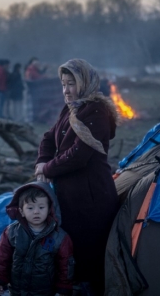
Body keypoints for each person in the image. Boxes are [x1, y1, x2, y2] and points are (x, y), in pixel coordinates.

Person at [34, 58, 120, 295]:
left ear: (85, 83)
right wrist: (42, 160)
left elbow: (78, 155)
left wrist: (47, 169)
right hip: (68, 197)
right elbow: (48, 138)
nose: (66, 90)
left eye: (71, 84)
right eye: (63, 84)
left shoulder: (97, 112)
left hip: (91, 199)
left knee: (90, 254)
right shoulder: (70, 109)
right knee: (71, 251)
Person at [0, 182, 74, 296]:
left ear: (49, 209)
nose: (36, 211)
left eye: (41, 207)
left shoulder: (59, 236)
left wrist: (63, 288)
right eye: (30, 207)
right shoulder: (12, 232)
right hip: (16, 290)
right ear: (21, 211)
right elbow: (2, 258)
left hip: (45, 292)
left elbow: (65, 265)